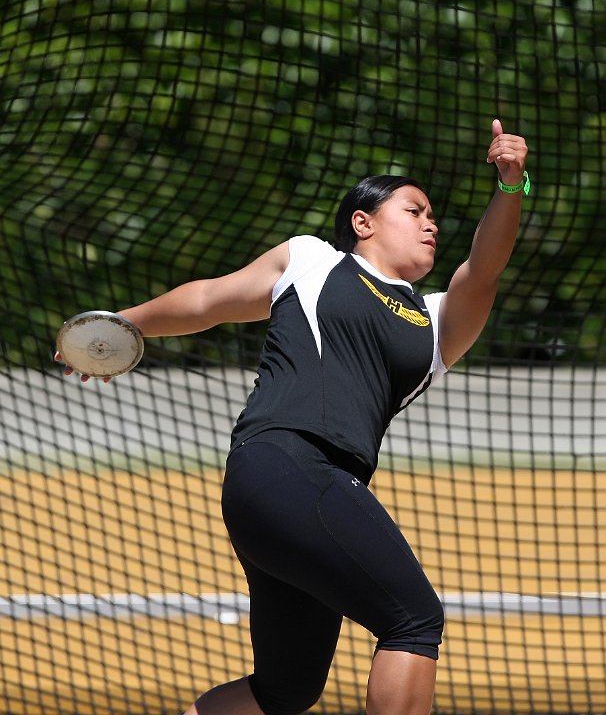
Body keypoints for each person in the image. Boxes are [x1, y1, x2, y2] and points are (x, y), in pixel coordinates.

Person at [57, 119, 528, 715]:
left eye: (433, 215)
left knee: (284, 691)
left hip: (306, 492)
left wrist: (512, 186)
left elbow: (483, 268)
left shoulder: (435, 322)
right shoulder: (314, 261)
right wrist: (114, 326)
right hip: (285, 466)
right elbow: (206, 301)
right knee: (413, 619)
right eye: (414, 210)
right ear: (364, 222)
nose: (431, 223)